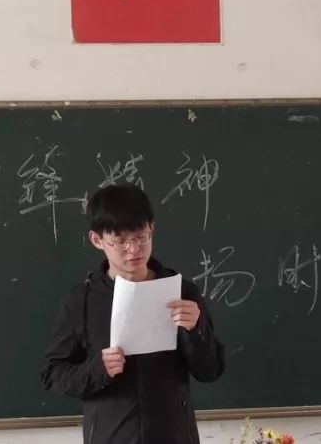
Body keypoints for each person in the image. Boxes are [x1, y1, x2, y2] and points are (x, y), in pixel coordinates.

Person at [40, 184, 225, 444]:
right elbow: (53, 374)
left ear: (152, 228)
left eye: (141, 236)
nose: (134, 248)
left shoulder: (181, 291)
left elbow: (211, 370)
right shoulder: (81, 301)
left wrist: (197, 330)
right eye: (120, 241)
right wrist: (98, 370)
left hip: (174, 436)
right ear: (97, 240)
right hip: (112, 437)